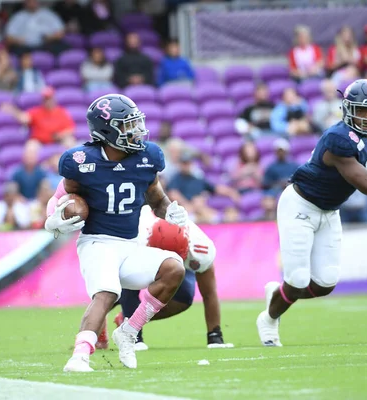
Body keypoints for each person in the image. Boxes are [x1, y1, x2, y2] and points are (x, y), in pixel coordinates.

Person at [256, 79, 367, 347]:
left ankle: (278, 293)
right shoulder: (338, 139)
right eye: (362, 110)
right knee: (297, 279)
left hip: (330, 210)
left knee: (325, 283)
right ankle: (269, 318)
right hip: (301, 205)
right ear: (347, 109)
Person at [43, 94, 188, 372]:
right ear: (107, 130)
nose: (135, 131)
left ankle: (129, 331)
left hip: (129, 245)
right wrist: (53, 219)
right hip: (97, 242)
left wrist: (170, 211)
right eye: (126, 126)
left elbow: (156, 199)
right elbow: (61, 197)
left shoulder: (147, 157)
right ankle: (79, 356)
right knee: (107, 292)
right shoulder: (81, 161)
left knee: (174, 268)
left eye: (136, 124)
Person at [111, 206, 233, 350]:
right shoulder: (137, 238)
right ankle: (130, 335)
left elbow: (209, 293)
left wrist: (215, 336)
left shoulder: (201, 247)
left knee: (183, 298)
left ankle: (126, 320)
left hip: (171, 257)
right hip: (143, 252)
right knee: (123, 285)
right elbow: (119, 280)